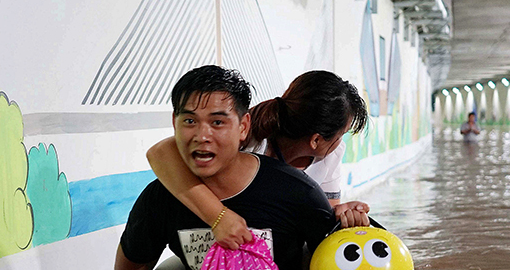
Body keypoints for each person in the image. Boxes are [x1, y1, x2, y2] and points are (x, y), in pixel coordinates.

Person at [114, 66, 337, 270]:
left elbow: (341, 265)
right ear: (174, 124)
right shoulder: (161, 198)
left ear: (244, 126)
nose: (202, 136)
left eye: (218, 122)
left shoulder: (295, 192)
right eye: (189, 121)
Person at [147, 71, 371, 250]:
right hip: (219, 246)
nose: (340, 142)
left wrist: (343, 213)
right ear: (316, 140)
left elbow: (322, 216)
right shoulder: (249, 137)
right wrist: (219, 217)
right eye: (341, 134)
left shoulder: (331, 154)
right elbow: (160, 153)